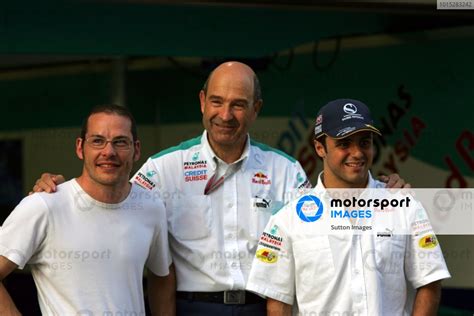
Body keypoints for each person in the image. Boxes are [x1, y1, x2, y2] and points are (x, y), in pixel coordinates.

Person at [31, 63, 408, 316]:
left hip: (264, 307)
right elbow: (109, 197)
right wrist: (57, 188)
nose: (225, 115)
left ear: (256, 109)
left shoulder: (285, 170)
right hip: (191, 308)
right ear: (201, 102)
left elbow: (325, 226)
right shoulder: (164, 169)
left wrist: (382, 194)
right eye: (217, 101)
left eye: (239, 104)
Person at [246, 99, 450, 316]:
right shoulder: (288, 220)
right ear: (319, 147)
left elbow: (430, 283)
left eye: (364, 142)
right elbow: (278, 302)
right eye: (344, 143)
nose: (357, 153)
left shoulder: (403, 205)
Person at [0, 105, 174, 315]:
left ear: (136, 149)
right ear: (80, 148)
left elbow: (162, 277)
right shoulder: (44, 205)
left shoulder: (151, 207)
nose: (108, 152)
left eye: (120, 142)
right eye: (98, 141)